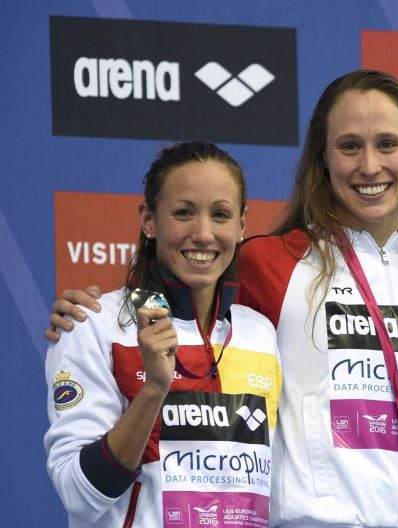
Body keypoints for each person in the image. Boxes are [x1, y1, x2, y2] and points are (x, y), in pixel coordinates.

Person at [46, 70, 398, 527]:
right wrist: (87, 310)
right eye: (349, 146)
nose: (369, 165)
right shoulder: (271, 262)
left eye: (387, 143)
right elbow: (184, 283)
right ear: (322, 158)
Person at [44, 142, 282, 527]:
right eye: (183, 213)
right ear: (148, 220)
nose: (203, 233)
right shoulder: (93, 325)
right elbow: (79, 495)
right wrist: (155, 387)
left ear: (241, 226)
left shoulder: (260, 334)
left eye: (220, 214)